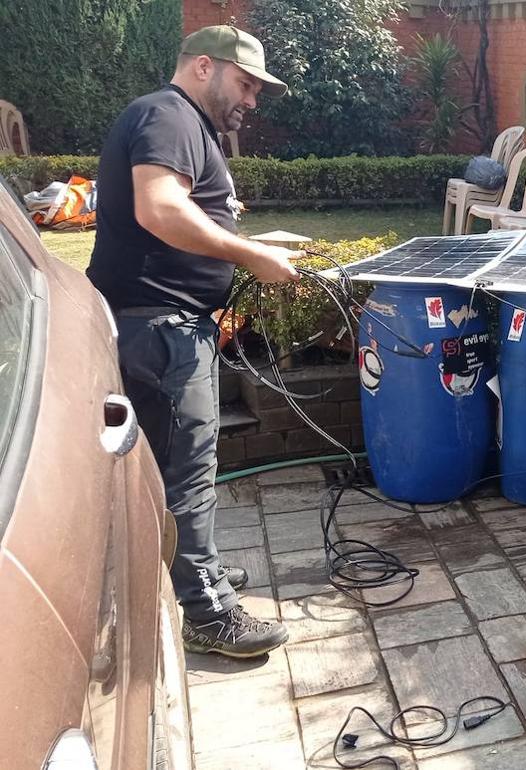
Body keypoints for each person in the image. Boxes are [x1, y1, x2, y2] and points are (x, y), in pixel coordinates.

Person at [87, 25, 299, 657]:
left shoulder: (182, 123)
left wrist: (260, 245)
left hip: (162, 325)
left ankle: (188, 569)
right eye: (246, 84)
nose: (252, 101)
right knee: (187, 471)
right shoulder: (168, 114)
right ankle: (208, 614)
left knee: (163, 467)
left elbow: (189, 210)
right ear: (204, 66)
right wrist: (249, 256)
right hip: (161, 329)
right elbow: (159, 208)